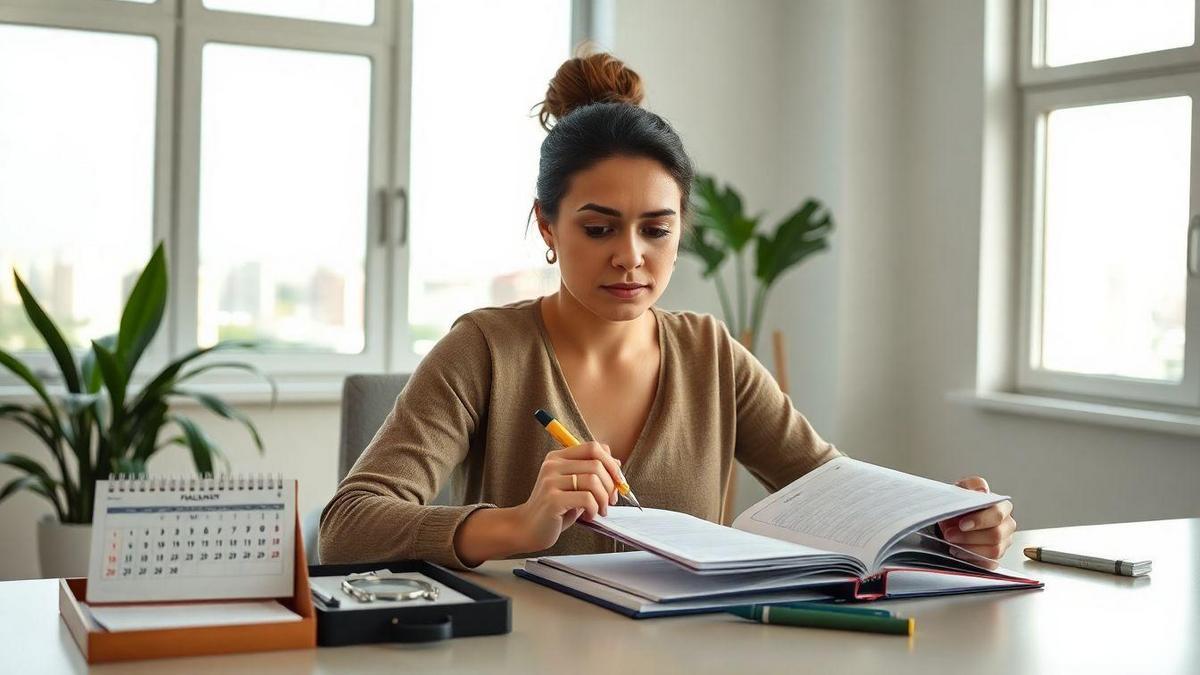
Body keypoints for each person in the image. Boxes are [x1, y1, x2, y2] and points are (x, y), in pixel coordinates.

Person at [319, 52, 1015, 569]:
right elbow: (347, 524)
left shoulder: (711, 355)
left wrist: (943, 524)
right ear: (547, 226)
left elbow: (834, 492)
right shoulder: (486, 348)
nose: (631, 257)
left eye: (657, 228)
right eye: (598, 228)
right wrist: (518, 525)